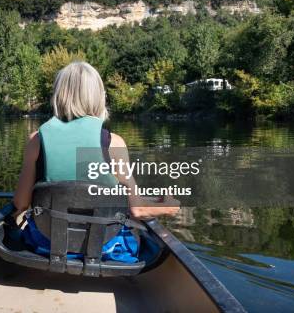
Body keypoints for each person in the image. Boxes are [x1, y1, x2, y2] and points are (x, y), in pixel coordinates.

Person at [12, 61, 179, 259]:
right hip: (104, 246)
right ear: (98, 96)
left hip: (46, 244)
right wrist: (167, 206)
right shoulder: (113, 143)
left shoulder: (36, 140)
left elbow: (21, 203)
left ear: (58, 95)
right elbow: (137, 208)